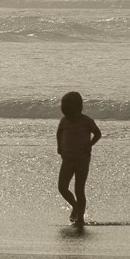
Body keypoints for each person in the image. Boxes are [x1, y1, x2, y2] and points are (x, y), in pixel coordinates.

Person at [55, 91, 101, 227]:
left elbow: (98, 134)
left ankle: (80, 217)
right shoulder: (64, 121)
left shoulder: (87, 121)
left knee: (79, 189)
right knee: (62, 187)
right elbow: (59, 133)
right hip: (67, 159)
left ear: (79, 108)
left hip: (82, 159)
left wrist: (90, 144)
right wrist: (59, 147)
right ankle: (75, 206)